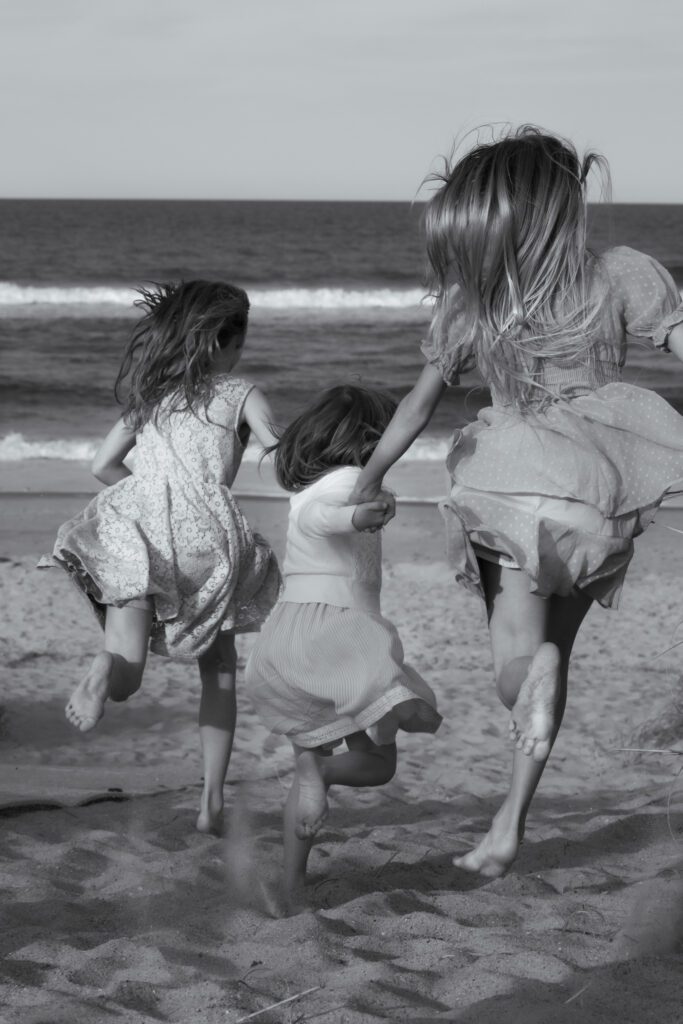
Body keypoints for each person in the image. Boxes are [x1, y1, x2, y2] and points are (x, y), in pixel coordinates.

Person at [349, 125, 683, 877]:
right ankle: (507, 826)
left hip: (513, 486)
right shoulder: (622, 273)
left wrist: (369, 479)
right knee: (551, 656)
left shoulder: (471, 304)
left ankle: (513, 771)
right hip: (597, 497)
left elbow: (414, 408)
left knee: (517, 661)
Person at [42, 280, 282, 835]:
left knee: (126, 667)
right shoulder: (242, 393)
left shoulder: (151, 394)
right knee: (219, 672)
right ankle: (212, 803)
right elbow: (280, 456)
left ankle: (104, 669)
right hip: (208, 540)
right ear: (231, 341)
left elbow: (102, 465)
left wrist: (151, 496)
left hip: (137, 530)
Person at [244, 385, 442, 895]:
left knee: (308, 762)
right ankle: (322, 776)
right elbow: (326, 517)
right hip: (340, 637)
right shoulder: (352, 482)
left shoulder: (303, 490)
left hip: (289, 637)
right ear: (375, 440)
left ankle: (291, 881)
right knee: (378, 766)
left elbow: (312, 516)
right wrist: (355, 516)